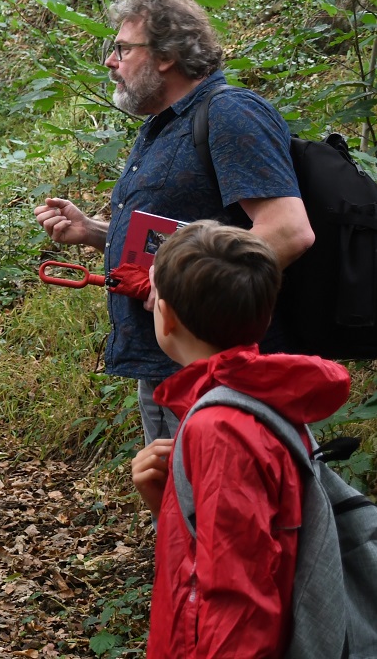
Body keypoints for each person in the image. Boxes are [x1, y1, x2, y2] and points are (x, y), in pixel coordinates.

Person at [34, 0, 313, 445]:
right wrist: (95, 231)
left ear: (165, 55)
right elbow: (182, 239)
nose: (110, 60)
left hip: (225, 377)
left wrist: (184, 286)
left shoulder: (230, 114)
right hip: (171, 367)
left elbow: (288, 231)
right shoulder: (163, 128)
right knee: (179, 510)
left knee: (218, 511)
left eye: (122, 48)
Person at [128, 221, 348, 658]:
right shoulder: (259, 396)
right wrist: (169, 499)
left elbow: (237, 598)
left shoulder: (220, 428)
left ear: (166, 317)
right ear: (264, 317)